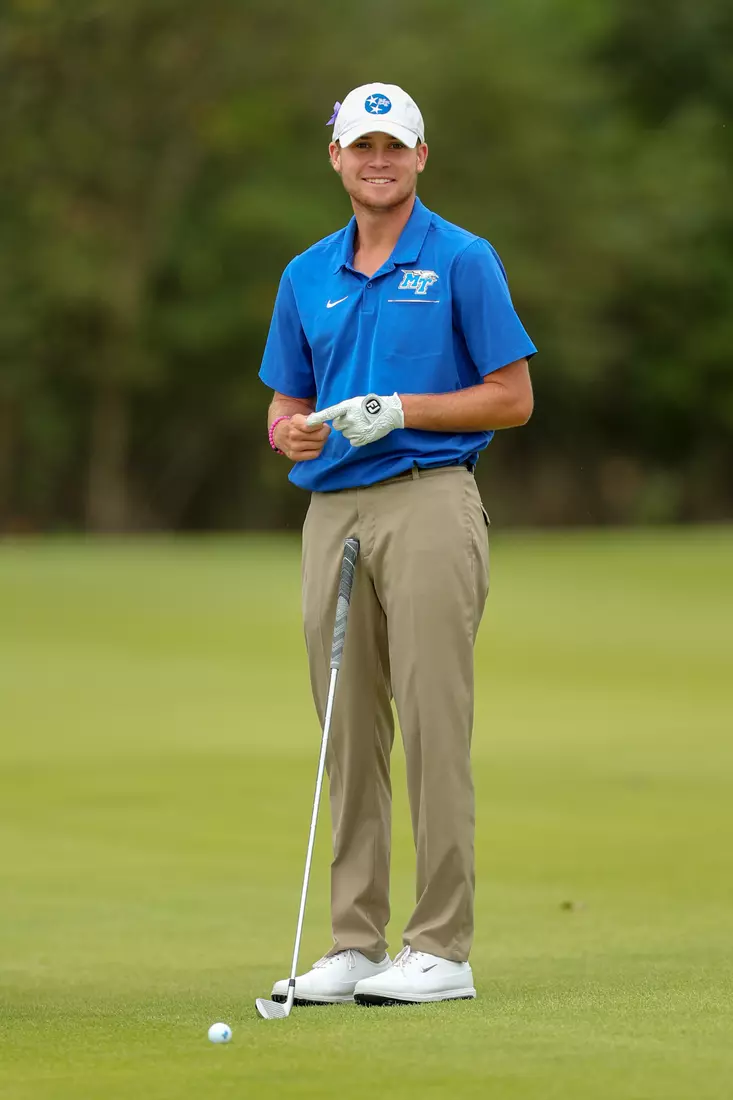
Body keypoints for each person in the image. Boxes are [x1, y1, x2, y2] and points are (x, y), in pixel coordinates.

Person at [259, 82, 536, 1006]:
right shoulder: (306, 273)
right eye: (361, 146)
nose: (376, 160)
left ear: (420, 156)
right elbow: (286, 399)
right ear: (335, 157)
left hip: (428, 499)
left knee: (431, 721)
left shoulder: (461, 258)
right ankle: (353, 944)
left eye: (393, 146)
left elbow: (512, 396)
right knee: (344, 731)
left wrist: (402, 408)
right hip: (330, 511)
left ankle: (440, 949)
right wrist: (288, 432)